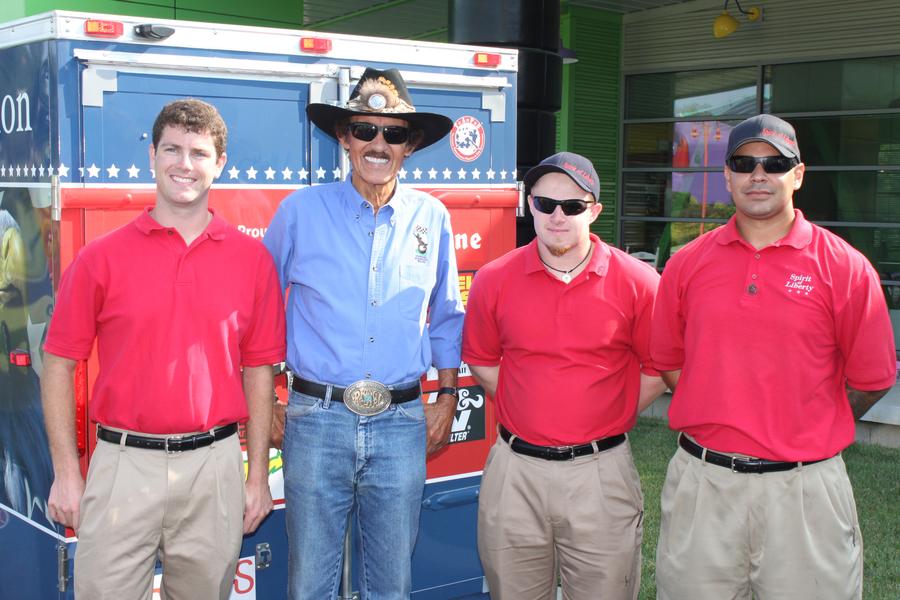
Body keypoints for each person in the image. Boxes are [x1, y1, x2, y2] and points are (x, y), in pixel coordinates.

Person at [41, 98, 286, 599]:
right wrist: (67, 473)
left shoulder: (251, 260)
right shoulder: (100, 259)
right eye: (172, 149)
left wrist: (256, 477)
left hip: (214, 465)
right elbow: (57, 364)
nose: (184, 164)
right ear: (151, 155)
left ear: (219, 164)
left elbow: (260, 372)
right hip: (121, 464)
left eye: (199, 152)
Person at [651, 114, 896, 600]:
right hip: (705, 486)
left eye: (775, 163)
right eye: (744, 163)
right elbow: (669, 363)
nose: (758, 175)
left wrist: (807, 425)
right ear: (727, 176)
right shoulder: (686, 264)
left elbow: (873, 379)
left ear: (798, 174)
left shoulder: (846, 267)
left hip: (805, 494)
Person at [263, 67, 464, 599]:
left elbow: (446, 313)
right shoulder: (298, 213)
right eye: (365, 130)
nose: (379, 143)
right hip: (315, 422)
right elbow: (259, 313)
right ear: (344, 138)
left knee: (390, 583)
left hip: (402, 424)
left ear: (410, 145)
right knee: (311, 583)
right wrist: (266, 401)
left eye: (394, 133)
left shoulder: (433, 217)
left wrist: (446, 396)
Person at [462, 152, 666, 600]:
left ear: (594, 210)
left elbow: (659, 369)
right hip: (515, 472)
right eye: (544, 204)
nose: (557, 216)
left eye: (572, 206)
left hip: (601, 474)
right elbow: (483, 361)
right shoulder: (493, 280)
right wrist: (530, 409)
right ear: (527, 205)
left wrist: (601, 415)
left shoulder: (639, 282)